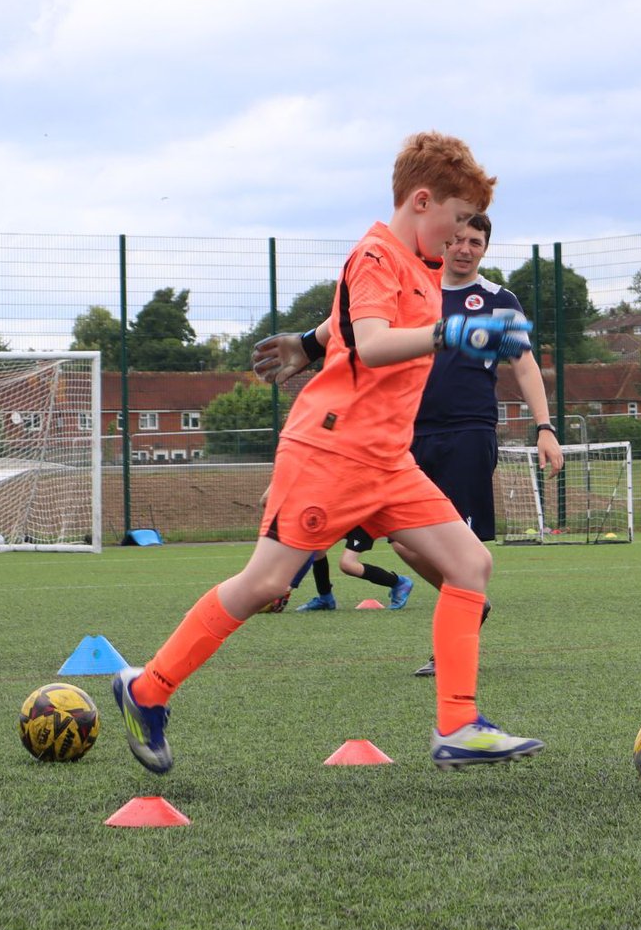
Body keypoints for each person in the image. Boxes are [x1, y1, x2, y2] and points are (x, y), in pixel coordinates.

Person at [112, 131, 544, 774]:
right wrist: (451, 333)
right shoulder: (375, 253)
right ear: (422, 201)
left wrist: (311, 344)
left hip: (389, 460)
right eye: (456, 221)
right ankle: (146, 689)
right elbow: (372, 342)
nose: (460, 238)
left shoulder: (422, 262)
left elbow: (348, 325)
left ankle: (458, 724)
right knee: (265, 584)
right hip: (332, 451)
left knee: (470, 564)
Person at [291, 213, 563, 670]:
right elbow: (356, 319)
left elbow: (523, 364)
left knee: (459, 547)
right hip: (405, 431)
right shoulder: (414, 284)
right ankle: (471, 603)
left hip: (468, 431)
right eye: (458, 239)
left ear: (485, 248)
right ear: (443, 240)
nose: (465, 249)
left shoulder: (498, 300)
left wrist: (545, 427)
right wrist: (308, 345)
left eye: (475, 242)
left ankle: (451, 650)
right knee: (404, 542)